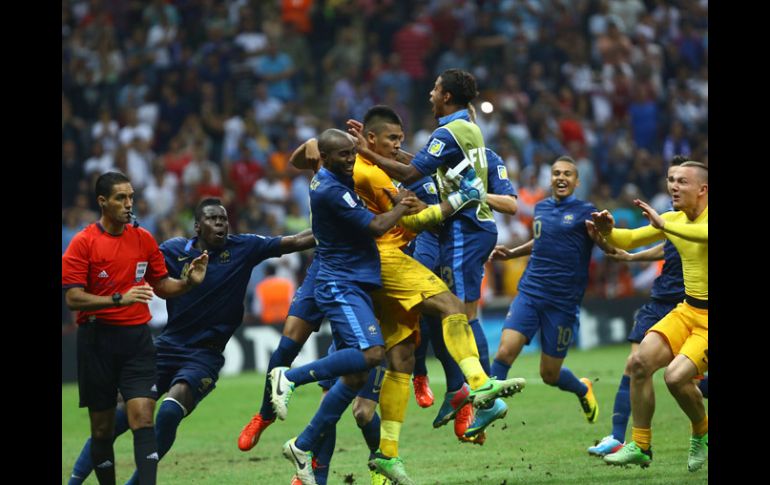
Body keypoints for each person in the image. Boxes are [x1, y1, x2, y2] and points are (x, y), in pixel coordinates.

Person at [66, 197, 315, 484]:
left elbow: (295, 241)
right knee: (119, 417)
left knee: (170, 411)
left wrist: (336, 226)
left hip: (204, 356)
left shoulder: (243, 247)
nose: (221, 223)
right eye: (213, 219)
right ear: (197, 226)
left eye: (223, 219)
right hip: (165, 347)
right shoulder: (172, 251)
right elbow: (137, 263)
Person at [347, 70, 523, 444]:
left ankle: (480, 391)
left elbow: (411, 172)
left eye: (435, 88)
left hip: (463, 226)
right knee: (444, 309)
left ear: (445, 96)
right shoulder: (466, 129)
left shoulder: (447, 132)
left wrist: (365, 152)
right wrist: (382, 151)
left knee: (458, 309)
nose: (430, 93)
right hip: (458, 229)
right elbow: (422, 165)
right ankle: (461, 388)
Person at [62, 172, 209, 485]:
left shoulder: (143, 239)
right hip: (96, 341)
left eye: (131, 197)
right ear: (102, 202)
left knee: (143, 417)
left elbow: (161, 284)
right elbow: (73, 298)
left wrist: (188, 283)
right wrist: (119, 298)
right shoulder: (83, 242)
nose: (129, 204)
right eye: (120, 198)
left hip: (137, 341)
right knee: (101, 429)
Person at [584, 155, 708, 457]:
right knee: (638, 363)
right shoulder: (675, 219)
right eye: (671, 181)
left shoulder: (681, 221)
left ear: (702, 189)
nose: (674, 187)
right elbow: (629, 239)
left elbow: (703, 234)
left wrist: (663, 223)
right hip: (686, 309)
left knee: (675, 378)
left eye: (682, 182)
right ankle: (640, 445)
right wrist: (608, 229)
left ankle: (701, 431)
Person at [488, 156, 615, 432]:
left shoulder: (586, 211)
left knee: (549, 374)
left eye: (567, 174)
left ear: (576, 181)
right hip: (531, 290)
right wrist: (513, 253)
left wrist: (604, 234)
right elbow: (541, 240)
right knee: (505, 351)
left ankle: (582, 389)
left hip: (563, 303)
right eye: (556, 173)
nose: (561, 178)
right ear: (551, 178)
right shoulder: (541, 208)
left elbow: (606, 245)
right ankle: (486, 410)